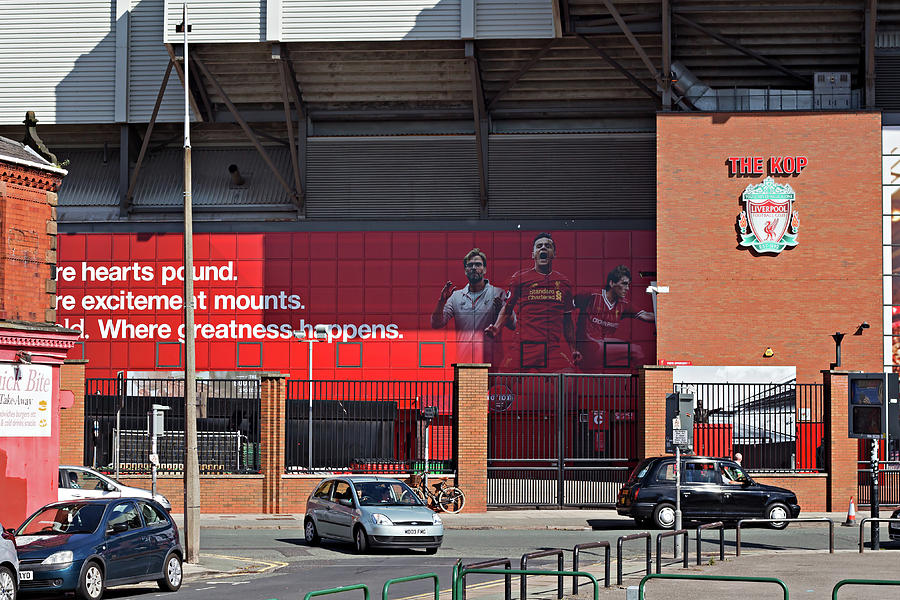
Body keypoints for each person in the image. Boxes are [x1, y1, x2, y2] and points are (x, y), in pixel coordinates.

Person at [485, 233, 580, 372]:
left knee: (568, 383)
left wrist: (573, 349)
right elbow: (507, 308)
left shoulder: (564, 283)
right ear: (533, 254)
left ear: (553, 254)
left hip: (551, 349)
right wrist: (497, 327)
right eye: (539, 246)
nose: (543, 248)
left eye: (548, 246)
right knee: (501, 383)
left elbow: (568, 320)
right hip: (523, 348)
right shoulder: (520, 278)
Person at [431, 248, 512, 364]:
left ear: (484, 269)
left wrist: (500, 309)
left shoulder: (498, 293)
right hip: (464, 362)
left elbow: (513, 324)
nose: (474, 268)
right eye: (470, 265)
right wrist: (441, 301)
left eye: (478, 265)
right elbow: (436, 323)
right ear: (465, 270)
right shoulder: (455, 297)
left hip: (492, 364)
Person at [575, 265, 655, 371]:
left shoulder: (624, 304)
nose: (627, 288)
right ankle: (642, 381)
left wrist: (672, 314)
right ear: (612, 283)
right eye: (624, 284)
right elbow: (565, 309)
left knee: (598, 384)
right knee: (636, 350)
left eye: (628, 285)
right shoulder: (592, 295)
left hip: (600, 350)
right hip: (587, 347)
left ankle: (633, 382)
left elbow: (646, 315)